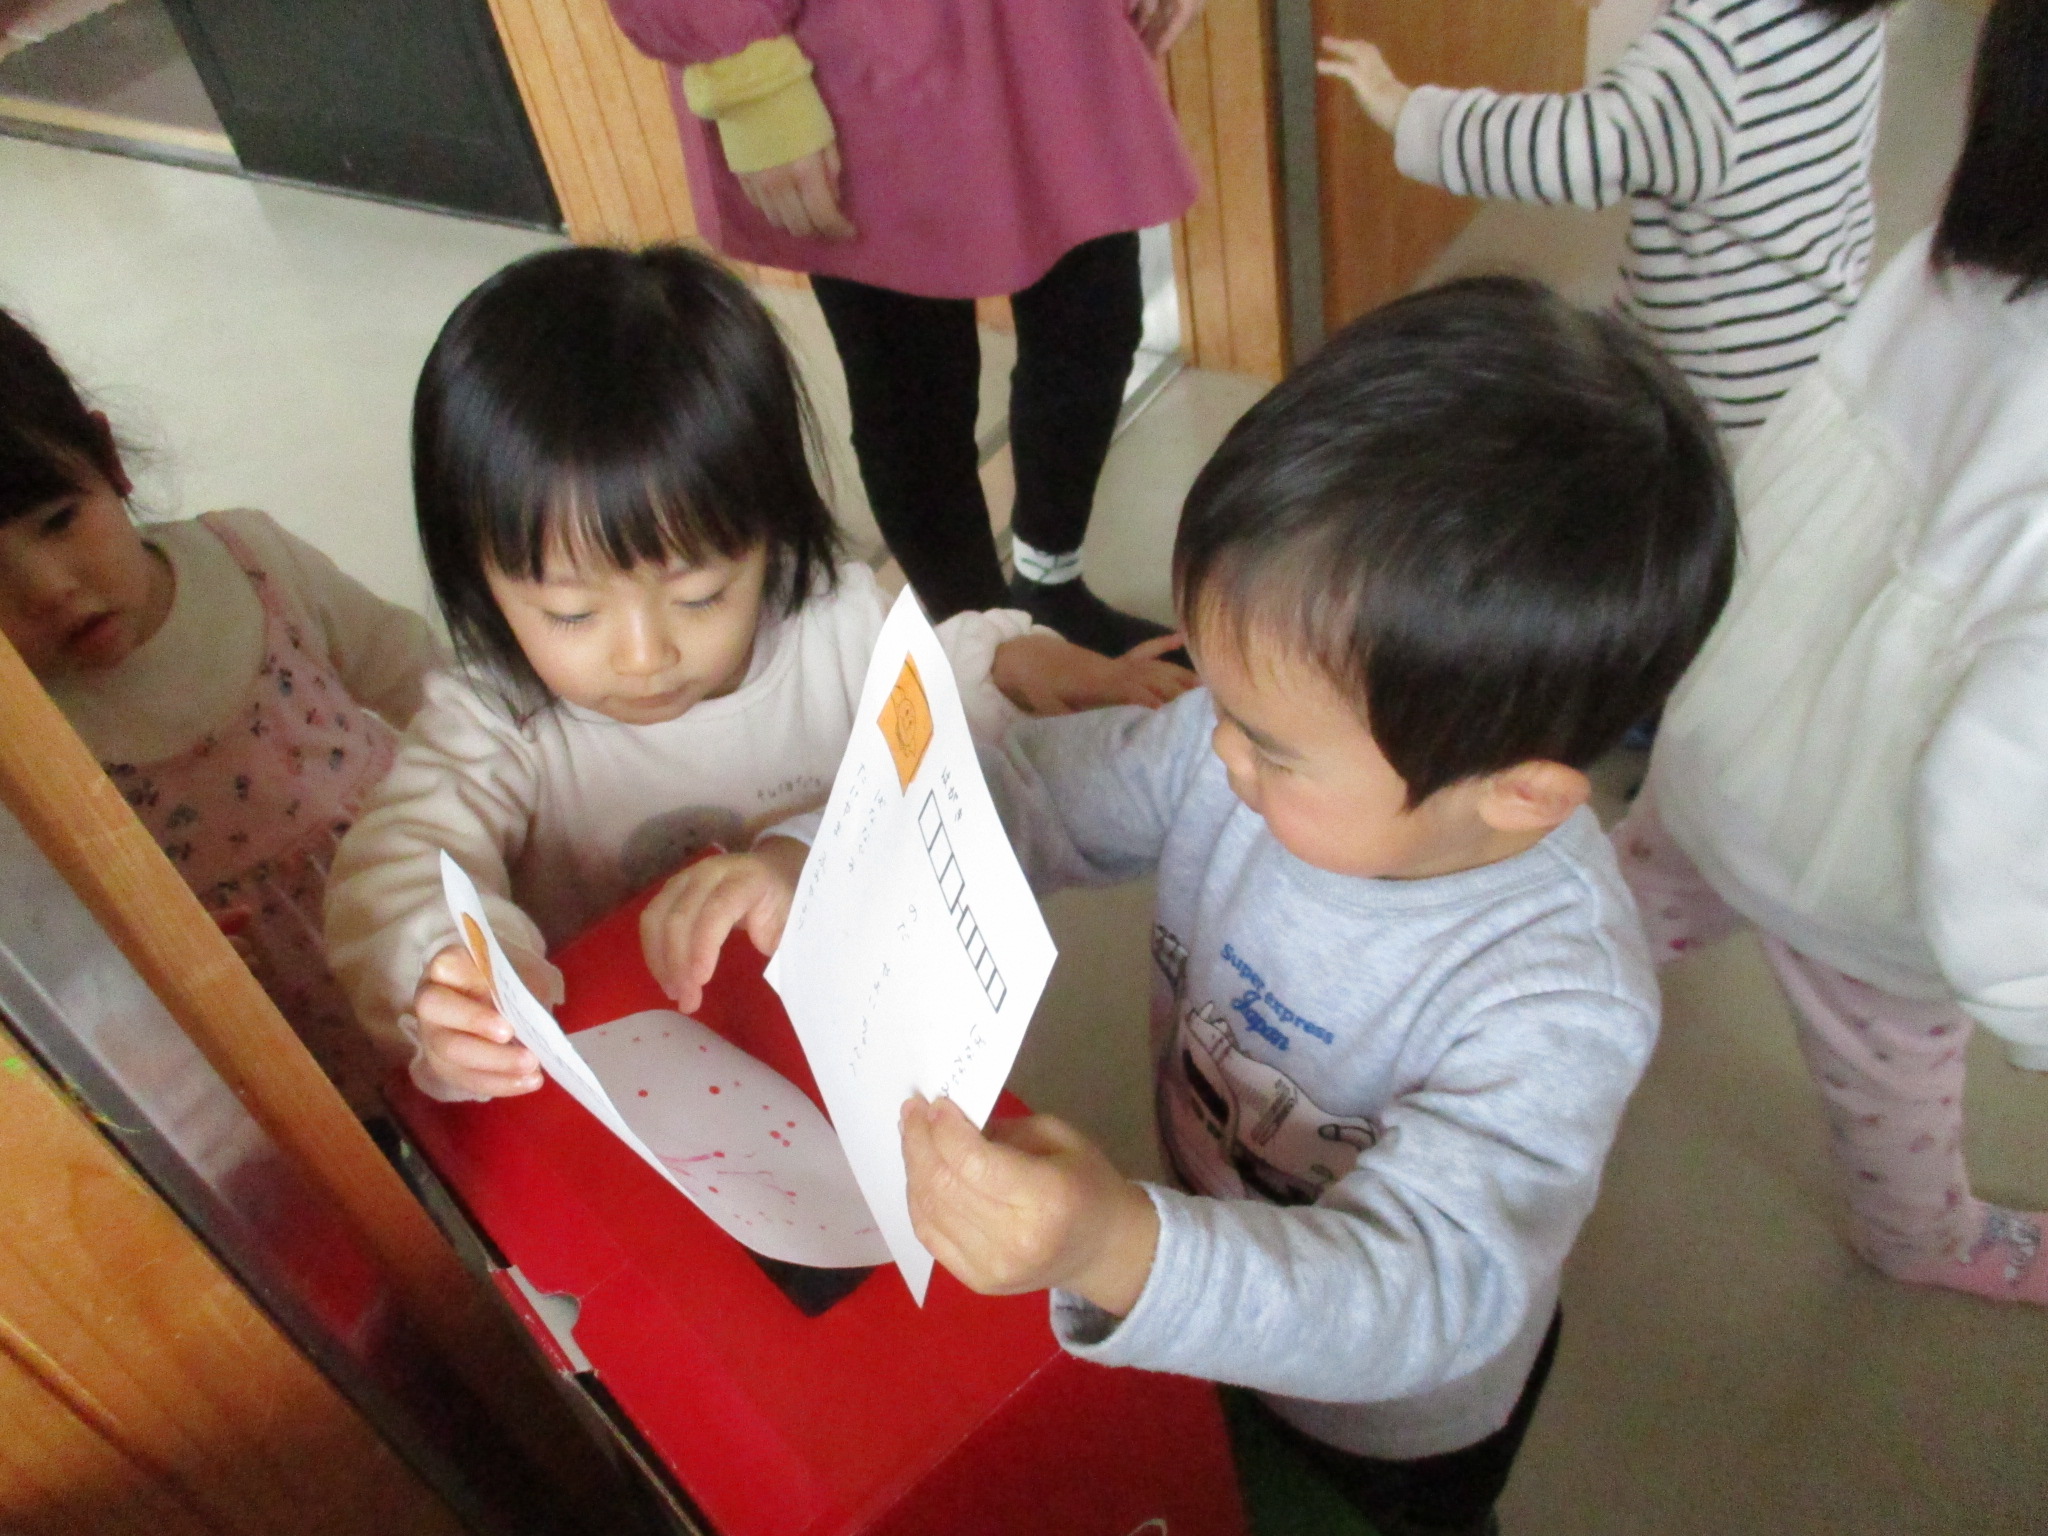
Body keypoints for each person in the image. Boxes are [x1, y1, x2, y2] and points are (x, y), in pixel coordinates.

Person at [654, 278, 1738, 1536]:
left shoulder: (1559, 996)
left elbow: (1428, 1288)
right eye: (1217, 697)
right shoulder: (1234, 747)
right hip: (1193, 1274)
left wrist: (1116, 1251)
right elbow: (1026, 798)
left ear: (1517, 794)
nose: (1212, 750)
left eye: (1270, 746)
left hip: (1382, 1422)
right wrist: (818, 861)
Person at [324, 245, 1192, 1103]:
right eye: (572, 614)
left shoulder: (827, 621)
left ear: (771, 534)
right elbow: (401, 860)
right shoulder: (497, 715)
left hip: (855, 1050)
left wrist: (1016, 663)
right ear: (481, 581)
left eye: (699, 596)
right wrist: (449, 965)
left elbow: (928, 697)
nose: (644, 656)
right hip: (642, 1090)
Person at [1611, 0, 2048, 1306]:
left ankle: (1482, 1002)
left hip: (1726, 724)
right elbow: (1990, 799)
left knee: (1619, 907)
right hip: (1863, 872)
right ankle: (1919, 1235)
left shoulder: (1953, 263)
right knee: (1890, 1080)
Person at [605, 0, 1203, 656]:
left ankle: (1050, 587)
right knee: (914, 388)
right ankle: (989, 648)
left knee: (1094, 322)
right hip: (856, 38)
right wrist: (750, 79)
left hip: (1052, 23)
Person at [0, 307, 437, 1114]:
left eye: (60, 521)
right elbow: (50, 951)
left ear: (108, 460)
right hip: (297, 1062)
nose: (49, 588)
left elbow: (420, 676)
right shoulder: (23, 744)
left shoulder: (250, 560)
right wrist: (145, 986)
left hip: (441, 932)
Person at [1318, 0, 1894, 449]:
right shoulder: (1849, 17)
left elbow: (1576, 148)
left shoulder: (1720, 43)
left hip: (1719, 379)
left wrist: (1410, 112)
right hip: (1813, 332)